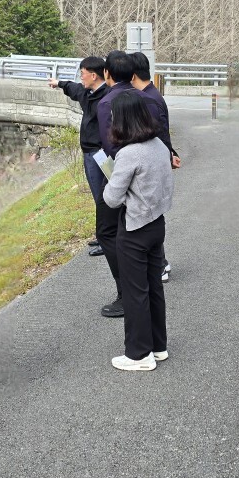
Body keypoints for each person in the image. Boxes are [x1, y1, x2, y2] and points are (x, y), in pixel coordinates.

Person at [102, 90, 174, 371]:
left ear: (122, 119)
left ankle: (138, 354)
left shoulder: (129, 153)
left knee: (135, 292)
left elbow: (111, 198)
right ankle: (158, 346)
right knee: (153, 287)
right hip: (157, 223)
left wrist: (111, 180)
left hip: (134, 229)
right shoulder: (158, 145)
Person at [49, 56, 108, 257]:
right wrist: (59, 83)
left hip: (101, 154)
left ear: (93, 75)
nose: (80, 78)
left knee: (104, 197)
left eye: (82, 74)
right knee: (98, 196)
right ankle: (103, 236)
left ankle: (106, 240)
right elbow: (73, 88)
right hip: (90, 154)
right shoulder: (87, 93)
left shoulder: (107, 97)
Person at [94, 50, 138, 318]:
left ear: (107, 73)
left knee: (108, 232)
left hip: (120, 173)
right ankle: (137, 287)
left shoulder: (107, 102)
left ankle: (126, 292)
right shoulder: (139, 95)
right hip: (144, 173)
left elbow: (109, 146)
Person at [130, 52, 179, 283]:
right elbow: (164, 132)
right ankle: (159, 263)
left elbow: (156, 135)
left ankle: (160, 265)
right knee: (153, 214)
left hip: (153, 166)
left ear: (132, 74)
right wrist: (171, 153)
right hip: (160, 161)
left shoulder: (148, 100)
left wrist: (168, 155)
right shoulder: (151, 94)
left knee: (151, 215)